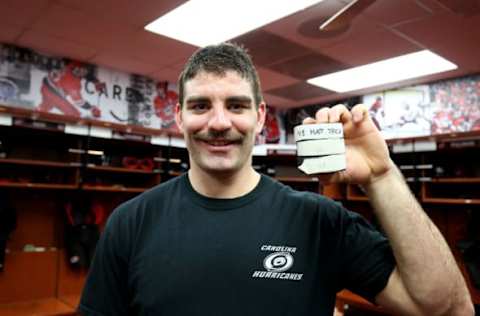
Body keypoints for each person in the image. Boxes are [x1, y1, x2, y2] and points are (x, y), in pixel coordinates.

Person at [78, 43, 473, 316]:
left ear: (261, 117)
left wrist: (381, 175)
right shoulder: (131, 222)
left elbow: (446, 308)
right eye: (200, 106)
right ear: (179, 117)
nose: (219, 123)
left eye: (236, 105)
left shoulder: (319, 221)